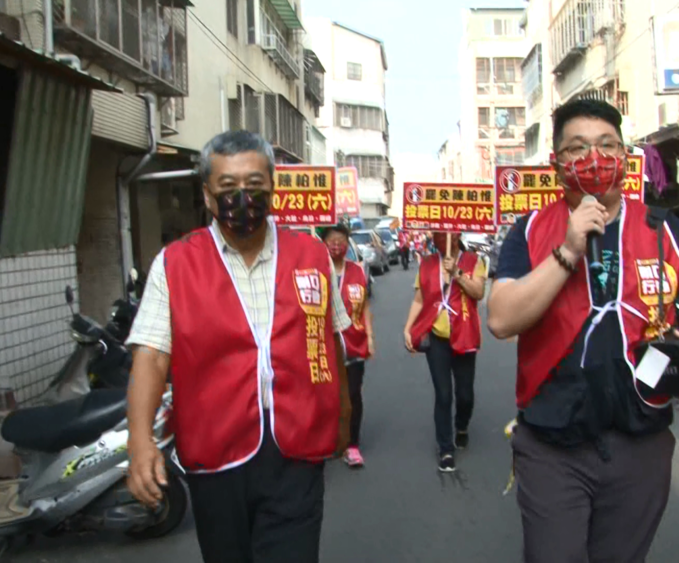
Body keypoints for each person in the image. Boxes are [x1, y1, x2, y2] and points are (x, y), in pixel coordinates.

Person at [487, 99, 679, 563]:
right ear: (556, 163)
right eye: (578, 149)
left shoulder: (664, 230)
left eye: (606, 146)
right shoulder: (532, 230)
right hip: (552, 443)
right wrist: (568, 250)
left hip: (642, 441)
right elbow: (501, 319)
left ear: (624, 157)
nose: (594, 159)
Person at [124, 130, 353, 563]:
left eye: (254, 186)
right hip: (216, 451)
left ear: (272, 189)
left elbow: (330, 339)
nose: (242, 198)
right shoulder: (175, 264)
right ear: (208, 195)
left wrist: (343, 412)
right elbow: (151, 356)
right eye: (228, 188)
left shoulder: (311, 254)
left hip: (296, 447)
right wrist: (140, 440)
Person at [403, 231, 486, 472]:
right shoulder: (427, 263)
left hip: (464, 334)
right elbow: (419, 299)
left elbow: (478, 292)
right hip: (437, 336)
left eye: (445, 236)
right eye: (437, 236)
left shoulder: (473, 261)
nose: (441, 240)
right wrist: (408, 328)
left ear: (457, 234)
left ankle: (461, 425)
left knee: (465, 394)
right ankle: (445, 448)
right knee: (443, 394)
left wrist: (457, 274)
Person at [321, 223, 375, 468]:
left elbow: (364, 307)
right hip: (323, 344)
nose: (336, 245)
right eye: (331, 240)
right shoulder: (316, 270)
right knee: (327, 395)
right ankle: (330, 438)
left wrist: (370, 338)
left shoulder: (357, 271)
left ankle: (352, 444)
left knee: (352, 393)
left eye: (341, 240)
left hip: (354, 342)